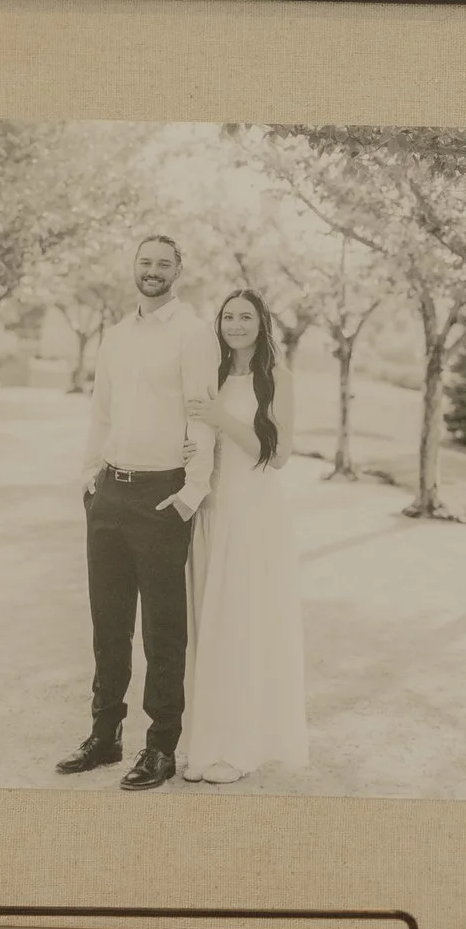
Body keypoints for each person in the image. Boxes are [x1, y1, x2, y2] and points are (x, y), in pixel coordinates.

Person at [56, 231, 213, 790]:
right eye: (145, 262)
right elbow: (101, 411)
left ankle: (161, 748)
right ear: (134, 267)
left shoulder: (194, 335)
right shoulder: (117, 335)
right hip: (110, 493)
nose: (152, 271)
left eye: (163, 264)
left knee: (163, 632)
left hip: (162, 496)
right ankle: (105, 737)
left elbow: (203, 415)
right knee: (109, 624)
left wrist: (192, 492)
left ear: (178, 270)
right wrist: (87, 477)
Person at [177, 289, 310, 786]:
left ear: (262, 324)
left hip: (250, 514)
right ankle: (201, 742)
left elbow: (277, 456)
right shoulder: (209, 374)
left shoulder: (277, 378)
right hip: (207, 511)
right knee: (204, 630)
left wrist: (223, 420)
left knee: (239, 628)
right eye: (228, 316)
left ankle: (240, 748)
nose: (235, 324)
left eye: (245, 317)